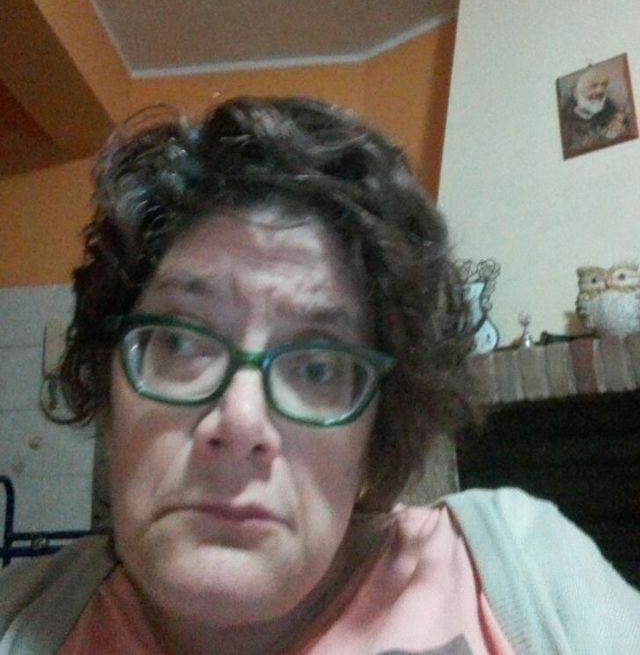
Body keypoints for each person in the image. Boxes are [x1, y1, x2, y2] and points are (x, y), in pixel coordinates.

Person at [1, 96, 639, 654]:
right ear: (109, 392)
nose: (240, 422)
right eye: (180, 341)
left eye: (316, 367)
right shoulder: (21, 617)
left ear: (375, 441)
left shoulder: (520, 569)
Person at [560, 67, 629, 155]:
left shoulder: (612, 111)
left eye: (604, 85)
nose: (600, 91)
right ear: (576, 93)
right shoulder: (565, 118)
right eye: (593, 86)